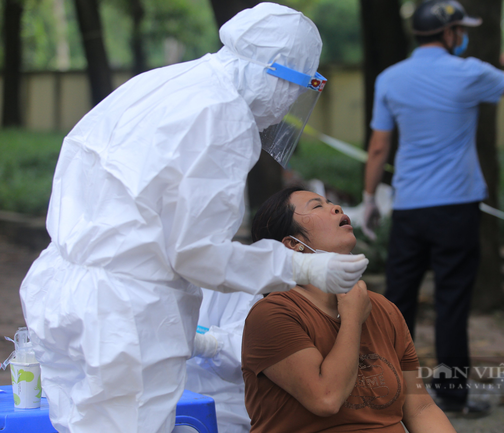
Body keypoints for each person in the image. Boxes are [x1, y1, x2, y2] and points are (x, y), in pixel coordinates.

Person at [19, 4, 368, 432]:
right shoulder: (223, 116)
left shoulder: (165, 82)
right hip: (125, 313)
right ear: (279, 77)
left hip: (61, 290)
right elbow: (197, 254)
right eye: (299, 88)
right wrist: (299, 265)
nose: (289, 106)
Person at [361, 0, 504, 417]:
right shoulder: (469, 73)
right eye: (459, 29)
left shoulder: (390, 78)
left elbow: (378, 145)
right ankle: (450, 396)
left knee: (398, 303)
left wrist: (370, 198)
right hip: (456, 209)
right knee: (451, 303)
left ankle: (386, 394)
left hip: (409, 208)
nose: (462, 35)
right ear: (448, 34)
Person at [241, 186, 457, 433]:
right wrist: (352, 319)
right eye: (317, 206)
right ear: (293, 245)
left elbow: (420, 409)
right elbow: (326, 398)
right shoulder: (272, 315)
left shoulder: (384, 309)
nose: (337, 207)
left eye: (331, 202)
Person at [185, 289, 260, 433]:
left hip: (219, 407)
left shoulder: (239, 289)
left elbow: (246, 350)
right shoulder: (147, 277)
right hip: (154, 400)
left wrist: (206, 345)